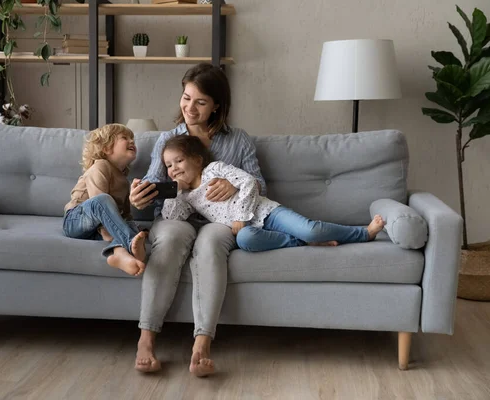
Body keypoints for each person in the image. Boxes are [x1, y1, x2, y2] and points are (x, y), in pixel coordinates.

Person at [129, 63, 266, 377]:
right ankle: (146, 340)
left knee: (211, 244)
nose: (190, 108)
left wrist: (236, 185)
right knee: (171, 239)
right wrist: (139, 199)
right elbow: (152, 186)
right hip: (177, 215)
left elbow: (260, 184)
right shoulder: (168, 140)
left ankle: (201, 345)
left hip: (220, 220)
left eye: (201, 102)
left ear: (217, 105)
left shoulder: (238, 140)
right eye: (186, 98)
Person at [161, 135, 386, 251]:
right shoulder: (186, 198)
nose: (174, 169)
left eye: (178, 161)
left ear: (197, 160)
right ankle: (302, 243)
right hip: (247, 230)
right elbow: (172, 218)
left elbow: (249, 182)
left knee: (311, 230)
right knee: (246, 240)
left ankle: (363, 233)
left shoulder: (215, 169)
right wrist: (174, 191)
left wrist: (240, 216)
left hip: (268, 212)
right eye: (169, 166)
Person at [63, 124, 147, 276]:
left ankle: (120, 254)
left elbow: (126, 214)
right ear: (107, 148)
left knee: (129, 223)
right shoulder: (100, 166)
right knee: (103, 199)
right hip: (75, 220)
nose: (132, 141)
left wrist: (130, 226)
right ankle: (131, 243)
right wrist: (110, 230)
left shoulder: (124, 180)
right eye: (125, 138)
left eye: (132, 139)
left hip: (95, 228)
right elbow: (98, 200)